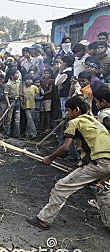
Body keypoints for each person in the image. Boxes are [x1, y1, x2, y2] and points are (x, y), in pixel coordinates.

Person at [27, 95, 110, 230]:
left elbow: (66, 148)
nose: (66, 113)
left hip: (99, 162)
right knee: (105, 190)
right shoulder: (94, 121)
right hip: (106, 161)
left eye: (68, 111)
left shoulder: (75, 122)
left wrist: (50, 158)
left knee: (61, 187)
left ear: (76, 110)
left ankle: (44, 220)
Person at [3, 69, 21, 138]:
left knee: (17, 118)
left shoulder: (18, 83)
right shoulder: (8, 84)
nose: (18, 75)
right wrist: (8, 104)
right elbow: (6, 94)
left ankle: (16, 134)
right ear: (12, 76)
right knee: (8, 118)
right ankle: (6, 133)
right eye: (16, 73)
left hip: (17, 101)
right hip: (11, 101)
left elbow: (19, 91)